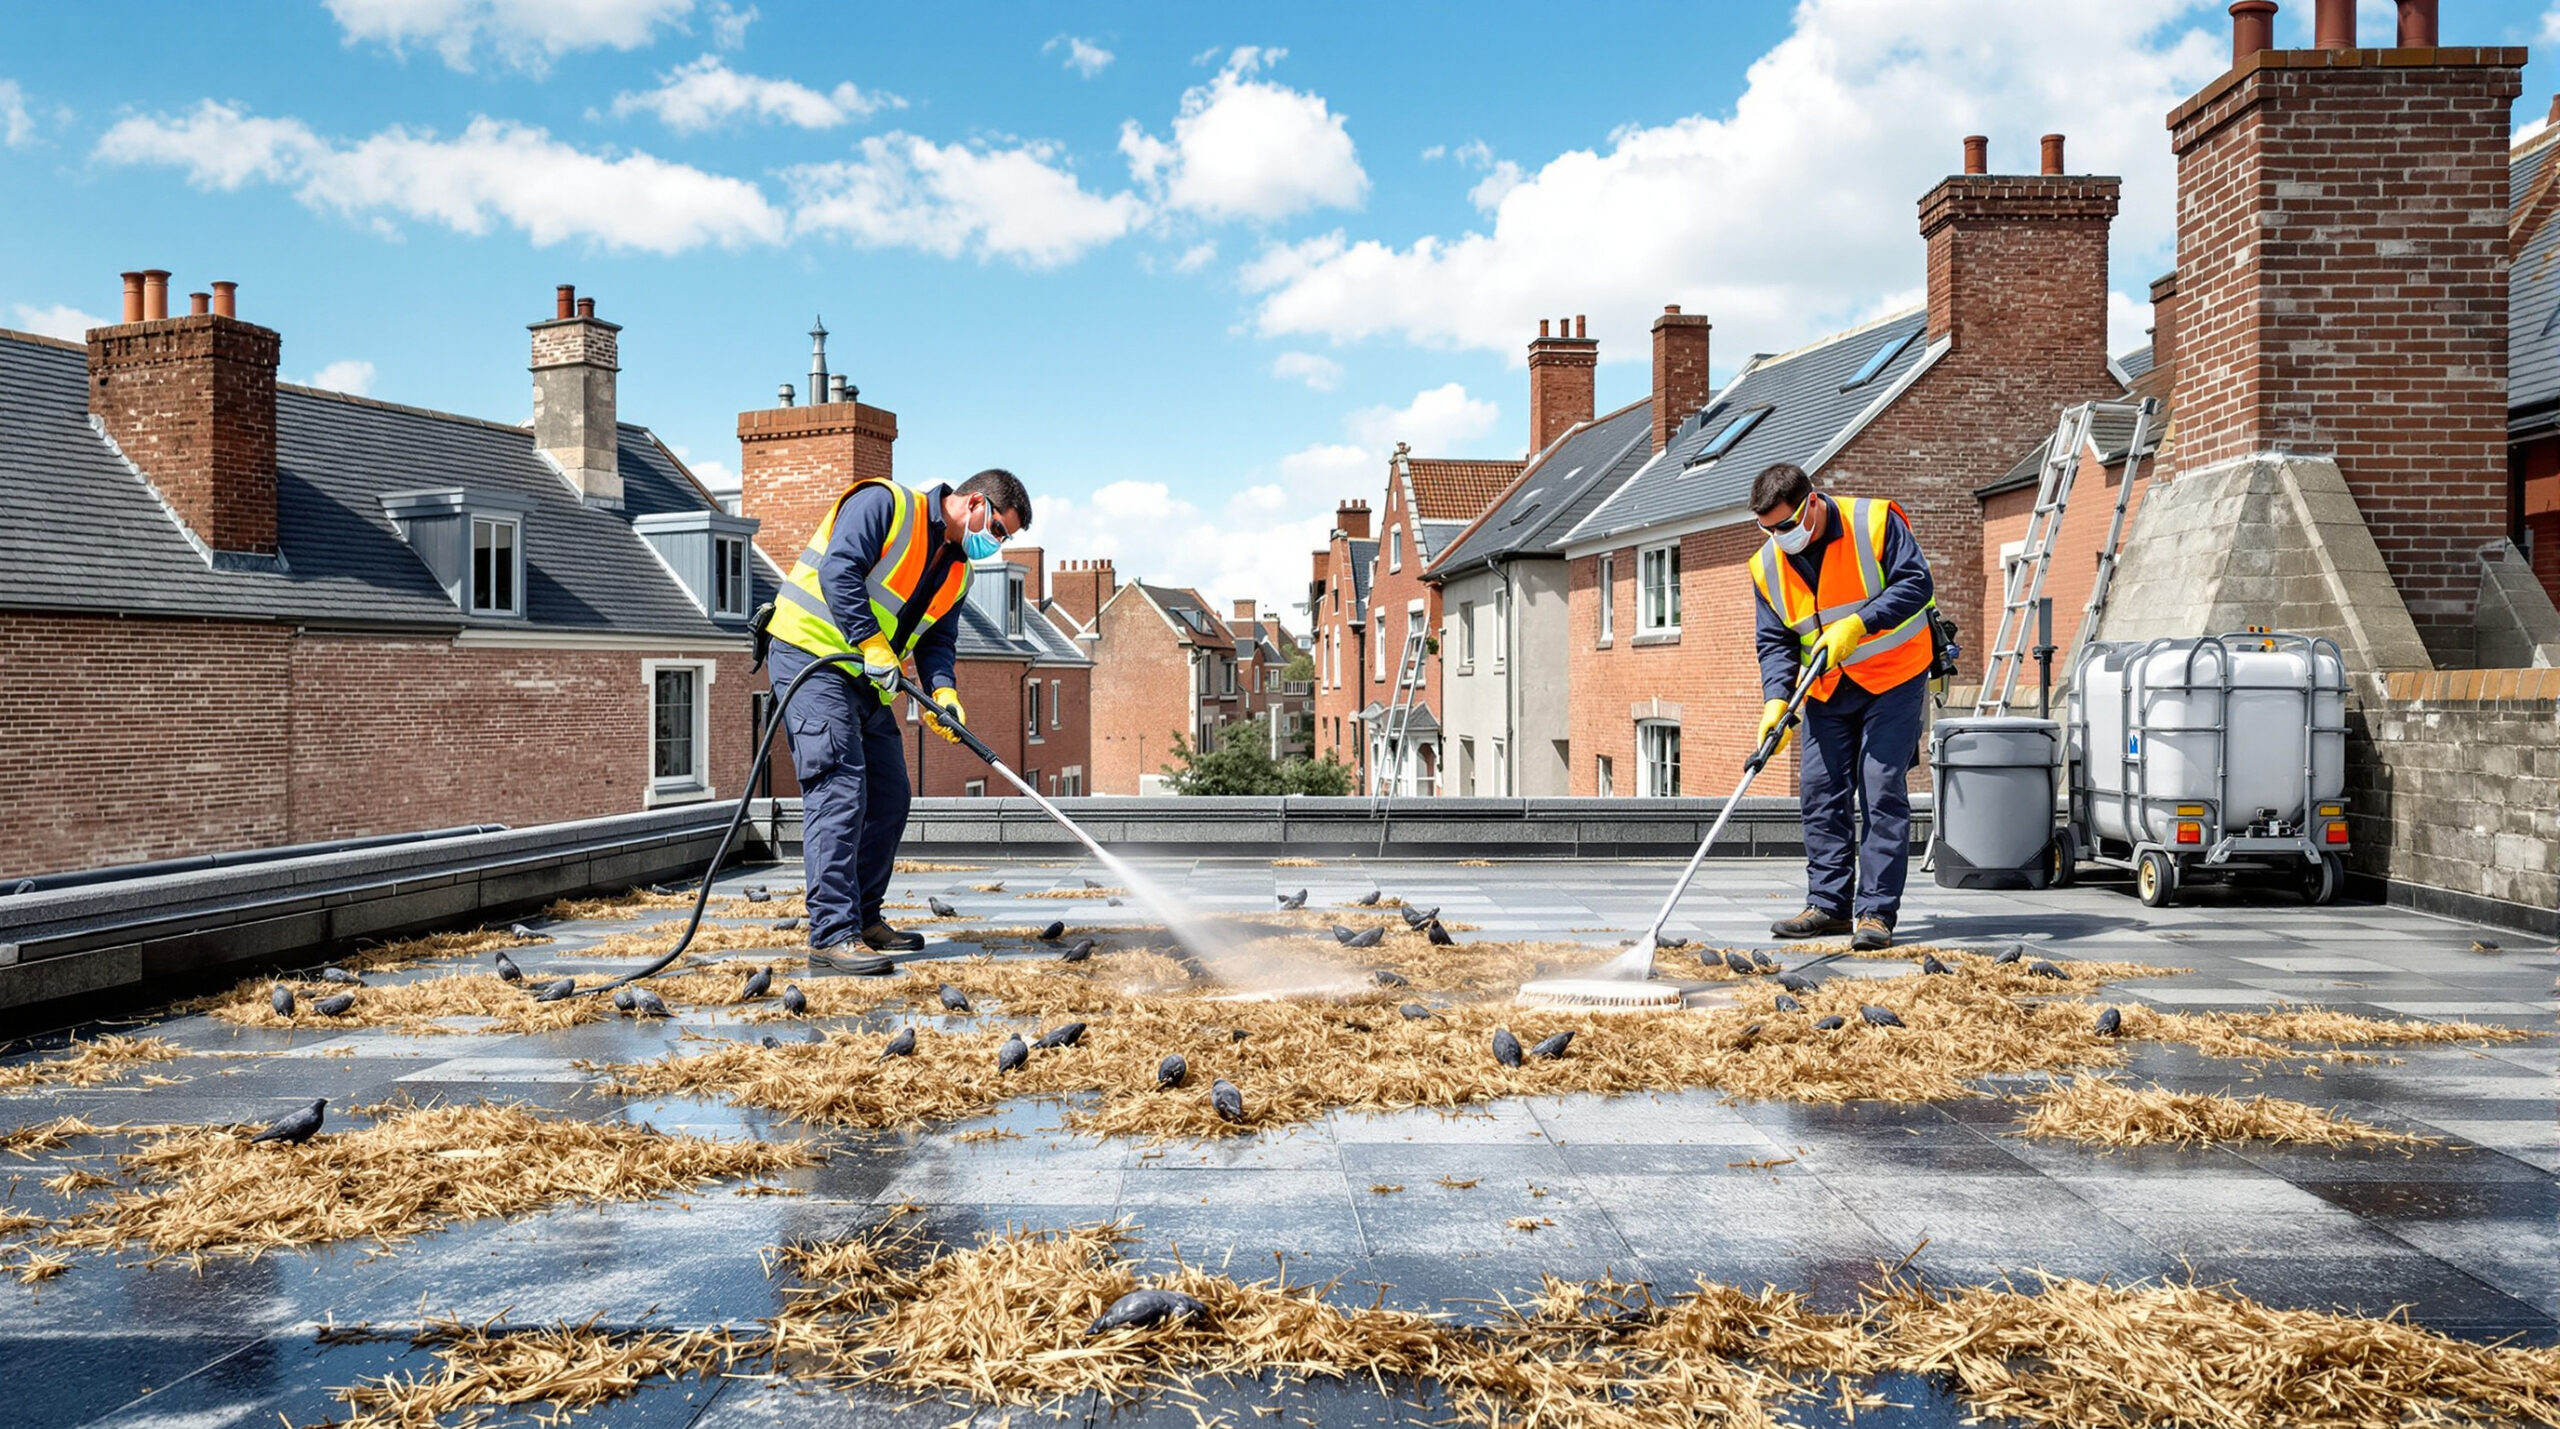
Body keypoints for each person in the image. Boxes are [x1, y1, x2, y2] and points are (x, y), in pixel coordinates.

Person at [761, 468, 1032, 966]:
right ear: (975, 502)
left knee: (890, 795)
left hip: (866, 677)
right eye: (997, 529)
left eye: (1005, 538)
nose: (996, 544)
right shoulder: (885, 505)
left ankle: (863, 917)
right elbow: (839, 571)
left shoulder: (959, 572)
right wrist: (871, 643)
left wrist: (943, 692)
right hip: (810, 658)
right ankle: (831, 934)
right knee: (838, 787)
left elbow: (937, 640)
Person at [1747, 463, 1935, 952]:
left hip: (1893, 676)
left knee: (1880, 787)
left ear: (1811, 503)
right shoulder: (1767, 564)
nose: (1780, 538)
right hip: (1828, 686)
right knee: (1819, 790)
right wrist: (1776, 701)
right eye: (1768, 530)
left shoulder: (1873, 522)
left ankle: (1875, 913)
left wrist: (1859, 623)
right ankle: (1828, 906)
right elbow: (1775, 641)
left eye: (1787, 525)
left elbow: (1916, 584)